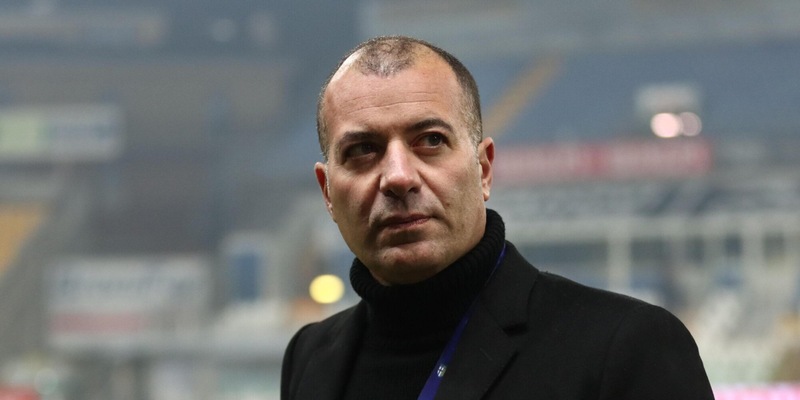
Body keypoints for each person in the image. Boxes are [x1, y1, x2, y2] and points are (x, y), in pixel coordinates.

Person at [281, 35, 714, 400]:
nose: (398, 176)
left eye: (430, 140)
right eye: (362, 150)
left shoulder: (628, 347)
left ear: (483, 169)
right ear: (328, 192)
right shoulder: (309, 359)